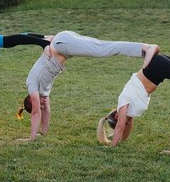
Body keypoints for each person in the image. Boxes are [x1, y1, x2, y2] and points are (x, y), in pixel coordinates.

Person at [17, 31, 154, 141]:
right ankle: (144, 51)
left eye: (39, 104)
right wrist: (43, 133)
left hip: (62, 44)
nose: (42, 104)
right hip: (64, 43)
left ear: (31, 99)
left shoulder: (32, 85)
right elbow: (45, 111)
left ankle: (145, 48)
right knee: (100, 47)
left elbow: (36, 113)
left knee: (101, 49)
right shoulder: (43, 91)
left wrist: (31, 138)